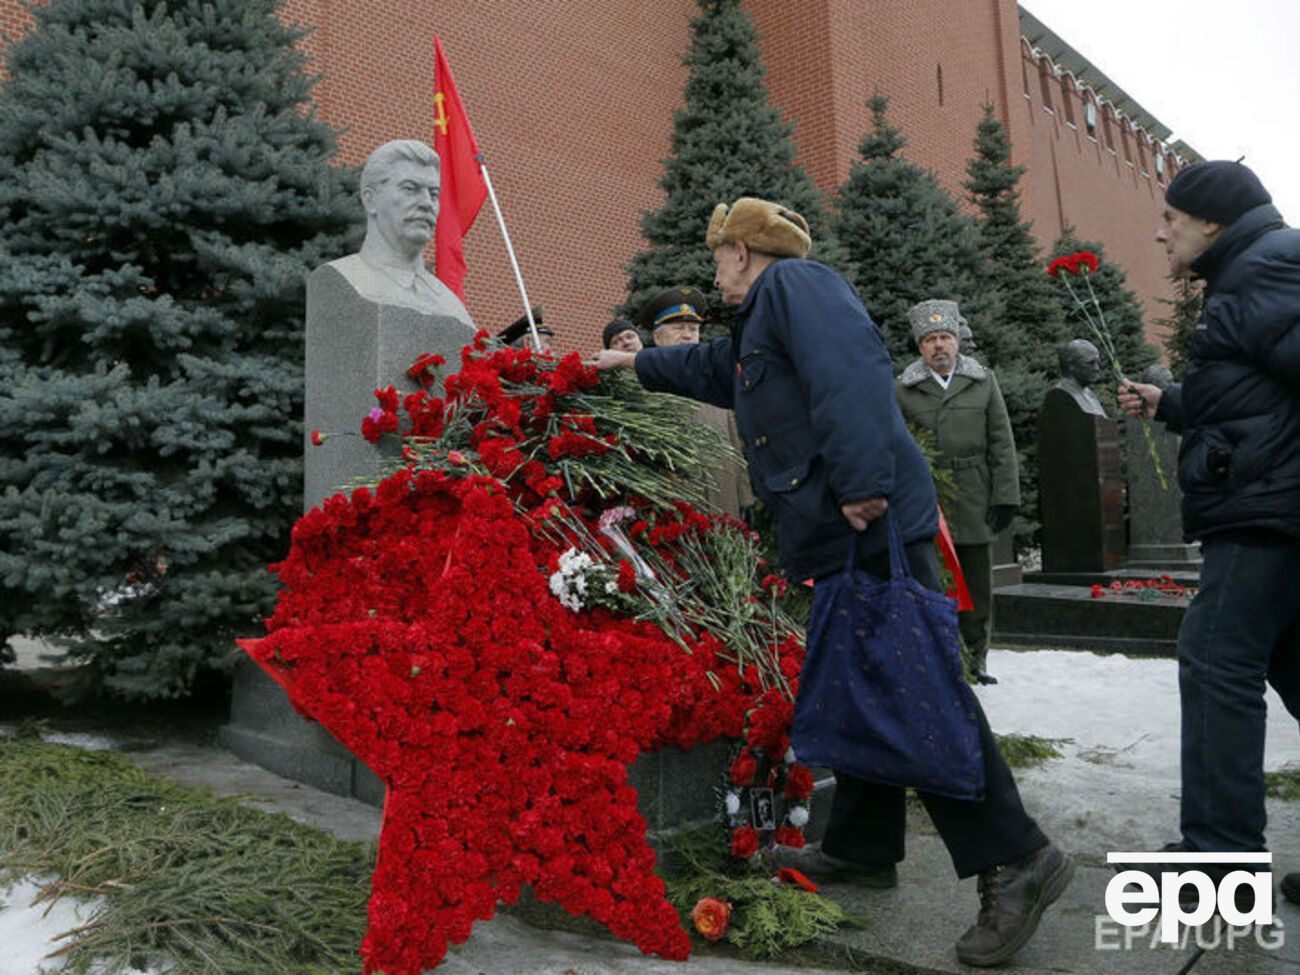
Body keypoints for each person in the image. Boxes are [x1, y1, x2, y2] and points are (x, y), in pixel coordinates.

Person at [592, 196, 1072, 968]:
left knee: (917, 687)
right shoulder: (762, 322)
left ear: (743, 252)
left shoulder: (796, 287)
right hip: (850, 529)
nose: (714, 273)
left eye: (718, 257)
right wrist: (638, 362)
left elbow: (852, 373)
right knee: (865, 677)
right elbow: (720, 368)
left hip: (869, 518)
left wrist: (859, 482)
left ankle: (1016, 856)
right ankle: (862, 843)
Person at [1117, 160, 1300, 903]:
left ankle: (1219, 859)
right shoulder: (1255, 271)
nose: (1161, 232)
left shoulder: (1266, 269)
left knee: (1216, 658)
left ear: (1213, 223)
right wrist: (1171, 404)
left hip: (1269, 510)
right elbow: (1256, 393)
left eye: (1172, 218)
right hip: (1274, 501)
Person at [896, 299, 1019, 685]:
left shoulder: (982, 382)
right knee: (934, 581)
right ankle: (943, 658)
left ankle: (977, 656)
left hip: (974, 494)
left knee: (977, 580)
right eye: (931, 339)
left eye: (945, 337)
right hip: (928, 498)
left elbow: (1001, 441)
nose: (939, 346)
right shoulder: (904, 390)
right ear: (920, 347)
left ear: (957, 342)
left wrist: (1005, 496)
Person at [327, 140, 474, 327]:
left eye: (434, 194)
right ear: (370, 199)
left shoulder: (451, 304)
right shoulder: (342, 280)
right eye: (410, 189)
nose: (427, 203)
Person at [638, 286, 753, 521]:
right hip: (676, 511)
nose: (688, 335)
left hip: (724, 504)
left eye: (693, 329)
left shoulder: (713, 384)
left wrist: (745, 499)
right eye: (678, 329)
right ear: (658, 338)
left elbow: (734, 448)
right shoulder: (645, 389)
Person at [1052, 339, 1106, 417]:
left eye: (1097, 363)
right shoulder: (1060, 395)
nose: (1097, 368)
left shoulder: (1090, 394)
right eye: (1090, 363)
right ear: (1071, 365)